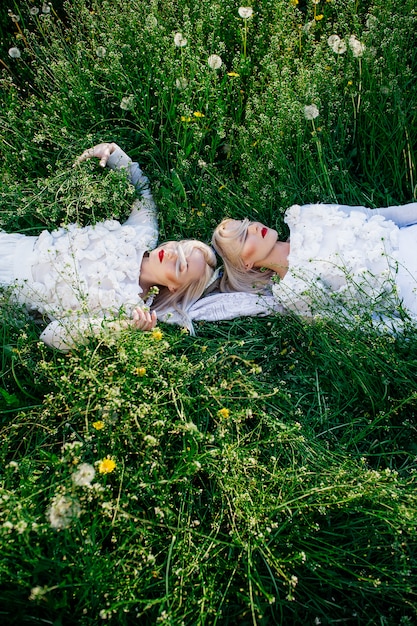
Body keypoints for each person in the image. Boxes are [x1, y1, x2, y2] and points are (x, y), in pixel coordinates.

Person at [0, 142, 216, 351]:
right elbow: (142, 191)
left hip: (11, 293)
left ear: (174, 287)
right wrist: (112, 153)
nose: (171, 255)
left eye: (180, 266)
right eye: (178, 249)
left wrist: (123, 327)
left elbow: (51, 336)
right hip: (14, 247)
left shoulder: (131, 309)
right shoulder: (143, 234)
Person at [211, 202, 417, 329]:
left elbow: (374, 215)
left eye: (247, 224)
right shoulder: (293, 292)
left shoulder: (304, 216)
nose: (255, 228)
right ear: (247, 264)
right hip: (409, 291)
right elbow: (354, 322)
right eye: (244, 237)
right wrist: (408, 329)